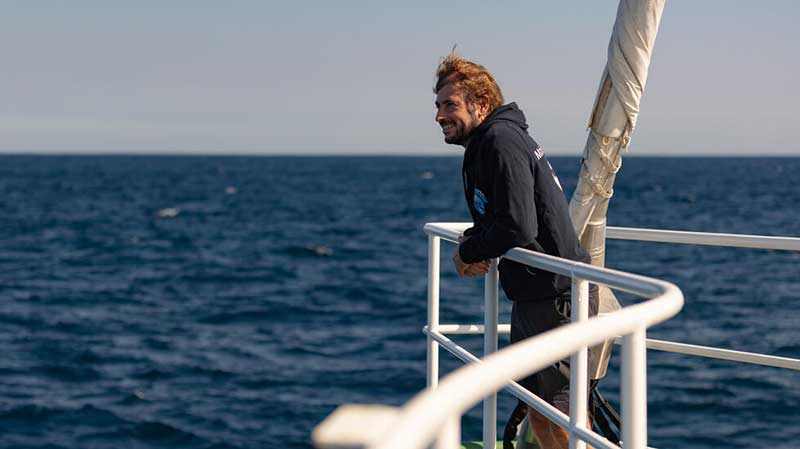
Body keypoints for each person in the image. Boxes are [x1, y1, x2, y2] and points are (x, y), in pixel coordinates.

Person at [433, 51, 599, 449]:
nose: (439, 115)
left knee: (562, 416)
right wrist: (475, 242)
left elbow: (518, 224)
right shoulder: (493, 141)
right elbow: (505, 216)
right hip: (537, 295)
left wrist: (472, 251)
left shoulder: (500, 141)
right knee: (540, 410)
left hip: (557, 297)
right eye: (438, 105)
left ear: (482, 105)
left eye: (450, 105)